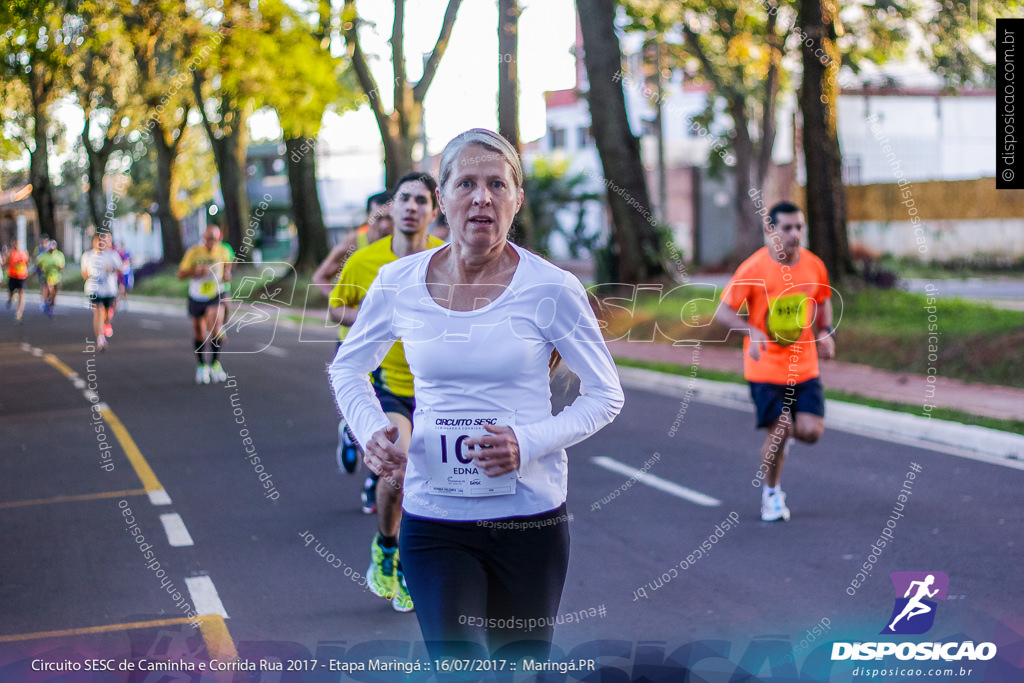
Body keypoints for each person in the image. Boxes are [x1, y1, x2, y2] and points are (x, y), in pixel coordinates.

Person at [329, 129, 624, 660]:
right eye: (466, 182)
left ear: (516, 199)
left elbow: (605, 395)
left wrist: (526, 442)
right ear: (443, 198)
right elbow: (348, 368)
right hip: (435, 517)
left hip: (530, 518)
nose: (482, 197)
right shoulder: (397, 282)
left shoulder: (552, 288)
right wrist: (370, 429)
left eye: (497, 184)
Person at [328, 174, 446, 612]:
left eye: (422, 200)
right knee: (397, 473)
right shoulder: (364, 263)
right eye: (404, 199)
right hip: (392, 385)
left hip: (444, 392)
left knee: (434, 483)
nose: (412, 207)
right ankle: (386, 546)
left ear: (435, 211)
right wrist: (378, 318)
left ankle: (414, 566)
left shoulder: (449, 258)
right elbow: (335, 305)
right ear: (391, 209)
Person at [715, 200, 835, 522]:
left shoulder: (814, 266)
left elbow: (822, 302)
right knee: (780, 429)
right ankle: (772, 494)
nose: (795, 234)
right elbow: (723, 311)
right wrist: (750, 330)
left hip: (805, 366)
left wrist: (824, 332)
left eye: (799, 227)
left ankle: (780, 442)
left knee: (810, 432)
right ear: (771, 230)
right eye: (787, 228)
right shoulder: (754, 268)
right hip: (765, 367)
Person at [313, 191, 394, 481]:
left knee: (387, 405)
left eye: (389, 218)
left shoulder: (403, 248)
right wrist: (346, 307)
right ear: (368, 218)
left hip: (392, 343)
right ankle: (354, 436)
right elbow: (320, 277)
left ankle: (376, 474)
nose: (385, 225)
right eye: (379, 218)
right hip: (353, 338)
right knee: (365, 399)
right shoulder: (354, 244)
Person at [177, 226, 233, 384]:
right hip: (196, 296)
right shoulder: (194, 252)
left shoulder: (223, 250)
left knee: (214, 328)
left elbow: (228, 265)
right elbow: (180, 274)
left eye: (215, 240)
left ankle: (215, 363)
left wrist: (227, 273)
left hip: (215, 294)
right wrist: (196, 271)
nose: (212, 243)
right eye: (209, 239)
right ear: (204, 238)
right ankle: (202, 365)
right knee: (199, 334)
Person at [81, 232, 126, 350]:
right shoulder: (88, 256)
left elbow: (121, 269)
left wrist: (111, 269)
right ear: (95, 241)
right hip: (94, 289)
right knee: (98, 311)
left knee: (106, 315)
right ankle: (100, 339)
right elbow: (84, 274)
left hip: (109, 289)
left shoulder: (112, 255)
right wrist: (91, 275)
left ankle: (106, 324)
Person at [36, 240, 66, 317]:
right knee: (50, 290)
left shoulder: (59, 255)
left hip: (57, 277)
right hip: (47, 277)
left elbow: (62, 267)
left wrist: (58, 266)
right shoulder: (44, 256)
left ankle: (51, 306)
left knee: (55, 293)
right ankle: (46, 303)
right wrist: (42, 270)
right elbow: (38, 264)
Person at [4, 239, 29, 323]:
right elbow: (6, 263)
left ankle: (19, 313)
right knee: (11, 292)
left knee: (21, 293)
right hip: (12, 276)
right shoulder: (11, 253)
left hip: (22, 276)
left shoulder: (24, 253)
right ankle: (11, 298)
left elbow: (27, 262)